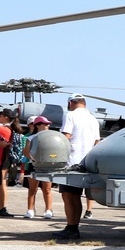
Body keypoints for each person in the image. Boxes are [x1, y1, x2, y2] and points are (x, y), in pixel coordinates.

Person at [57, 94, 101, 242]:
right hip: (87, 162)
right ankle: (73, 227)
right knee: (77, 197)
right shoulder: (93, 119)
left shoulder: (70, 115)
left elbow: (66, 137)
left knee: (68, 196)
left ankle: (71, 228)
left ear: (70, 103)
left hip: (71, 162)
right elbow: (97, 141)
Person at [23, 116, 54, 220]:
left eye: (48, 124)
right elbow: (26, 152)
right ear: (37, 125)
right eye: (44, 124)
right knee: (32, 189)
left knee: (47, 189)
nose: (47, 126)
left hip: (47, 166)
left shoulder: (51, 137)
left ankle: (48, 210)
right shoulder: (30, 138)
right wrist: (34, 159)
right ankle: (30, 209)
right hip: (34, 165)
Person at [0, 108, 17, 217]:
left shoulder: (3, 129)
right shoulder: (9, 129)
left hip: (1, 159)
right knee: (2, 183)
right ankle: (1, 207)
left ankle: (1, 207)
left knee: (1, 183)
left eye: (0, 115)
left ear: (6, 117)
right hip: (4, 159)